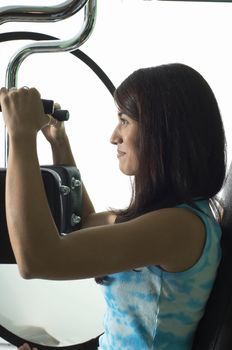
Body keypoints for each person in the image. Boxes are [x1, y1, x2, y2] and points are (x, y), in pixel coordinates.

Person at [0, 63, 226, 350]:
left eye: (124, 120)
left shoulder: (178, 228)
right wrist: (59, 142)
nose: (114, 136)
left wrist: (20, 136)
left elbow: (35, 259)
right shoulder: (173, 217)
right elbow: (87, 222)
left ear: (163, 131)